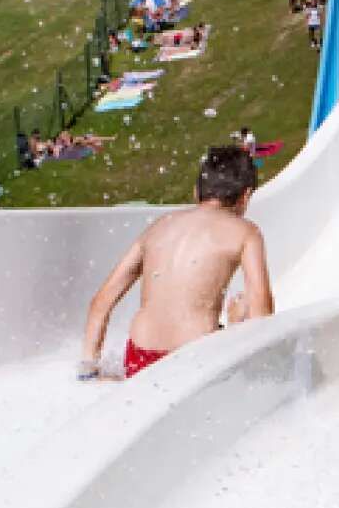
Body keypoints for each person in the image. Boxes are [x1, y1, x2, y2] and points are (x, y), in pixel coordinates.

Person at [77, 146, 274, 380]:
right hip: (193, 359)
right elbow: (263, 313)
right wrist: (236, 326)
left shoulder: (159, 226)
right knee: (241, 308)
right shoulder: (246, 232)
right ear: (246, 196)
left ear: (196, 192)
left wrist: (89, 371)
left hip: (139, 357)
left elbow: (100, 303)